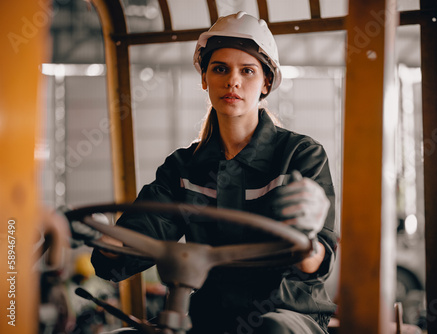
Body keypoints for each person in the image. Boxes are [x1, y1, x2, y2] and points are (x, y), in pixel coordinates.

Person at [86, 11, 337, 334]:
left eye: (247, 71)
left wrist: (309, 238)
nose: (233, 80)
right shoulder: (182, 168)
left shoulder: (300, 156)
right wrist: (108, 239)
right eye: (220, 69)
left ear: (266, 83)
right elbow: (135, 243)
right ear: (205, 79)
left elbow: (316, 266)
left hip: (288, 313)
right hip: (210, 318)